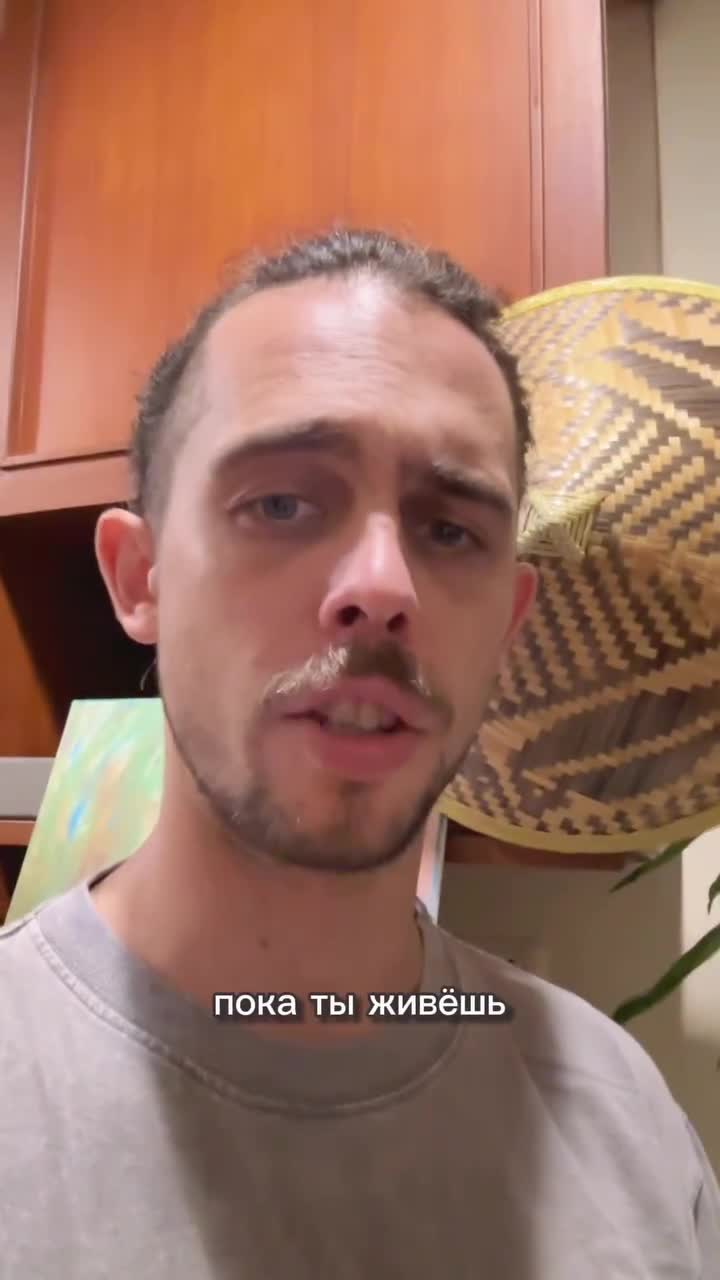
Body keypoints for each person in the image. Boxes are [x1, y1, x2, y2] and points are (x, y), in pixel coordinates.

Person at [1, 228, 718, 1279]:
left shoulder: (626, 1123)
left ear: (509, 622)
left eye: (451, 530)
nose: (382, 585)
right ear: (140, 578)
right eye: (281, 504)